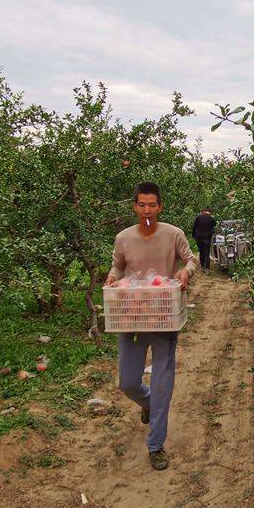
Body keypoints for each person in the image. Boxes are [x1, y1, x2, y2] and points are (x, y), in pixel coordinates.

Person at [105, 182, 197, 470]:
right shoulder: (123, 238)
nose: (147, 210)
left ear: (160, 207)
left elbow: (191, 260)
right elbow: (118, 266)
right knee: (128, 382)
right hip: (132, 316)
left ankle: (156, 445)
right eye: (141, 205)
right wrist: (111, 278)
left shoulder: (173, 234)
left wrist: (185, 272)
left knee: (161, 384)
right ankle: (146, 403)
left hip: (164, 314)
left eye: (152, 205)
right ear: (134, 207)